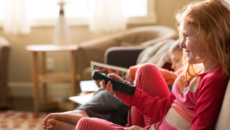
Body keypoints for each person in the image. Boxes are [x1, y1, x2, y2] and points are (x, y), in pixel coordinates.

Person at [74, 0, 230, 129]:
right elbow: (162, 109)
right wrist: (123, 92)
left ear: (209, 37)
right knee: (146, 70)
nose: (181, 44)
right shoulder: (192, 73)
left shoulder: (213, 80)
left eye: (187, 36)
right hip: (155, 125)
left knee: (84, 125)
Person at [42, 40, 183, 130]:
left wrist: (133, 72)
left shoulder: (186, 75)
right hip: (143, 117)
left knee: (123, 88)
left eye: (177, 60)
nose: (174, 65)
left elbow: (170, 77)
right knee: (110, 93)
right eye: (173, 61)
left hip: (157, 107)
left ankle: (83, 116)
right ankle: (82, 116)